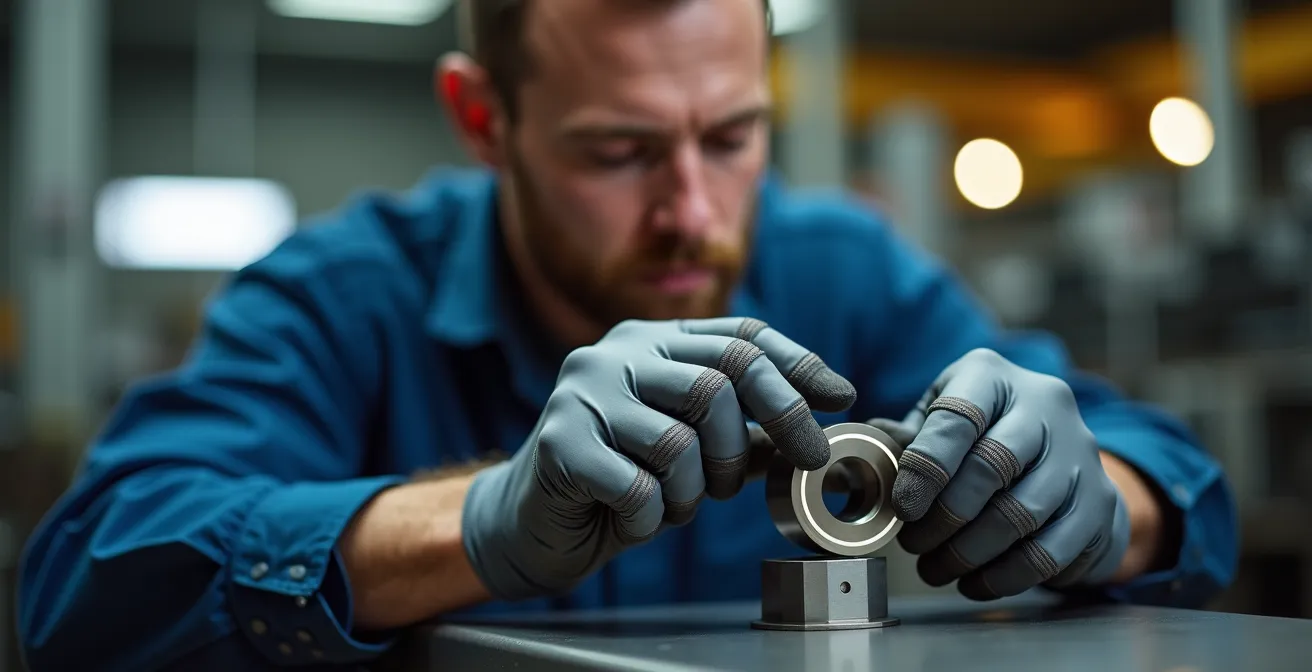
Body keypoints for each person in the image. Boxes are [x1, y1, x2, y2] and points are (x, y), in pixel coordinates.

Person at [17, 0, 1237, 669]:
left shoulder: (843, 269)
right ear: (481, 117)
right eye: (620, 152)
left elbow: (1168, 479)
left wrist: (1104, 499)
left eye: (732, 136)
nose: (693, 214)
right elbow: (87, 582)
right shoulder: (342, 294)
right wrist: (483, 518)